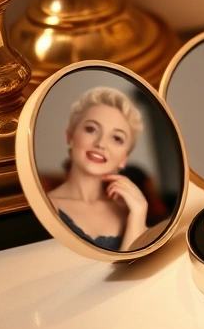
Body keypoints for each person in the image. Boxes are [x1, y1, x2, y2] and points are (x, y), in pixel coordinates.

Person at [47, 87, 153, 251]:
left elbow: (136, 266)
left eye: (117, 138)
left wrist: (139, 212)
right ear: (70, 136)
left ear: (124, 159)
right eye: (91, 129)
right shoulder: (43, 207)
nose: (101, 143)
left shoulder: (129, 212)